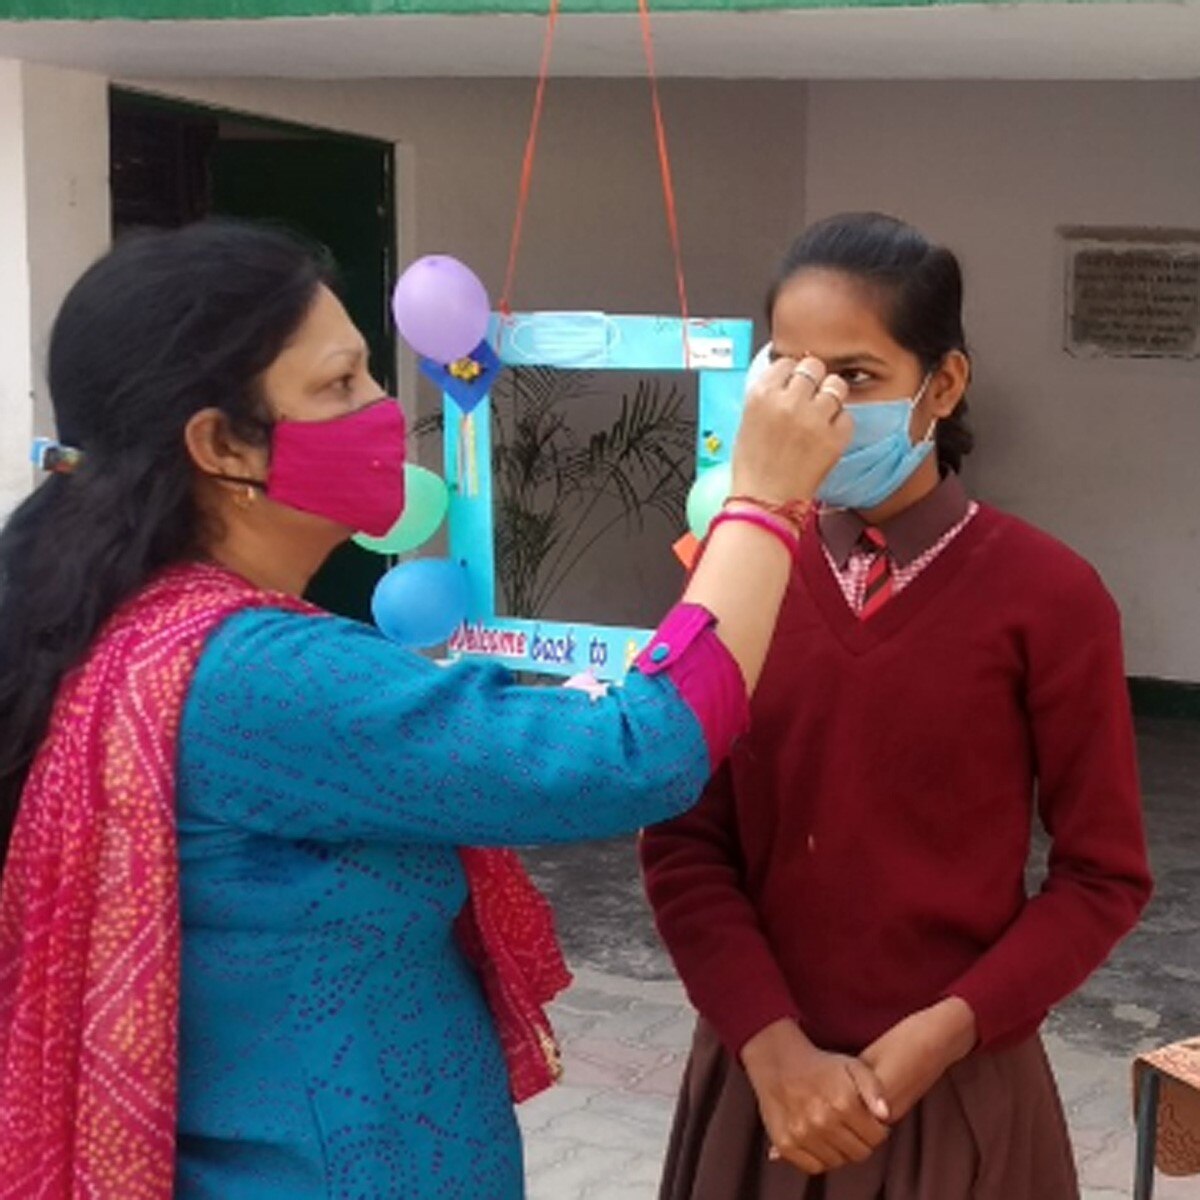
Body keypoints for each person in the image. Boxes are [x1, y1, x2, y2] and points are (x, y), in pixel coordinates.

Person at [0, 220, 851, 1200]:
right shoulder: (252, 672)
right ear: (223, 444)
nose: (381, 408)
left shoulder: (125, 627)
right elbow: (637, 751)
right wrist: (764, 502)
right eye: (339, 384)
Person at [641, 211, 1154, 1200]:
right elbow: (682, 841)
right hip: (762, 1096)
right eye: (790, 371)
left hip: (958, 1097)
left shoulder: (1050, 597)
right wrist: (772, 1048)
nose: (818, 407)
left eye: (857, 375)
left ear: (944, 385)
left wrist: (945, 1033)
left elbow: (1103, 876)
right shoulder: (736, 582)